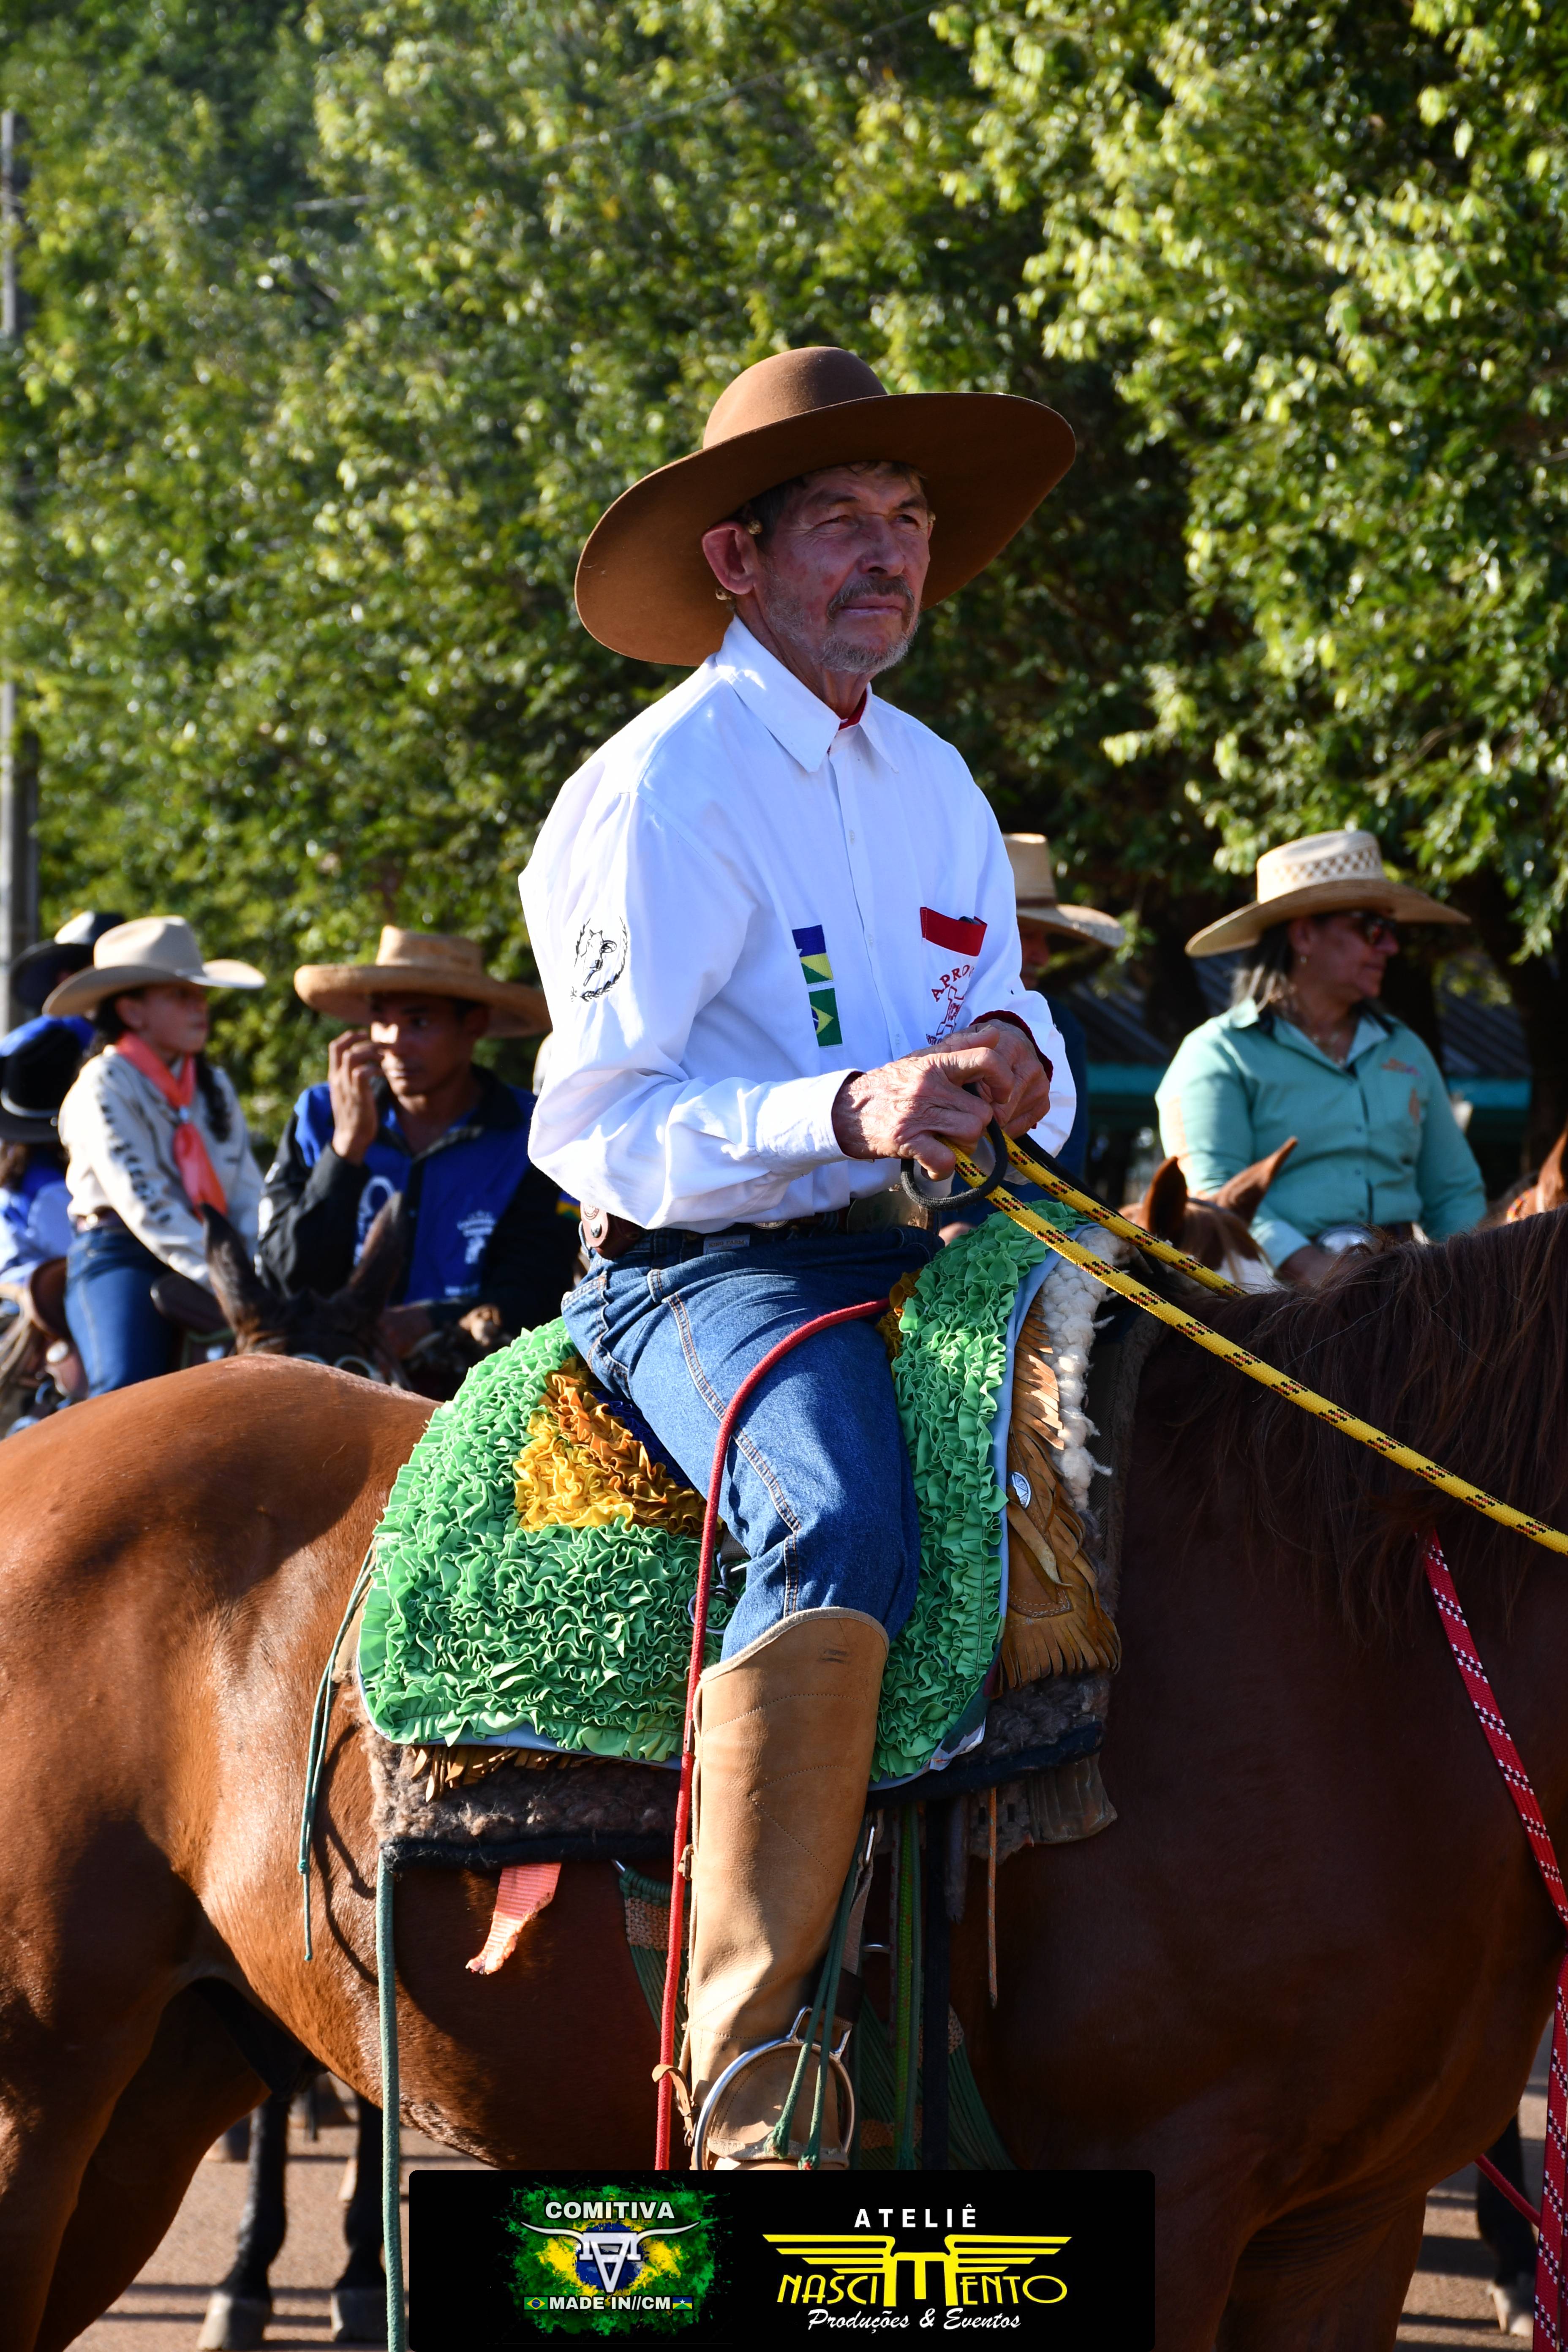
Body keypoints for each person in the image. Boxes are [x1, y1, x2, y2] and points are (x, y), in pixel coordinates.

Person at [521, 343, 1078, 2167]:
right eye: (840, 516)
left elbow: (1003, 1012)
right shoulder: (658, 787)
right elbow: (594, 1125)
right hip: (704, 1272)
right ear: (735, 561)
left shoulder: (932, 777)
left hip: (942, 1241)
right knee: (837, 1519)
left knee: (1198, 1442)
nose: (889, 551)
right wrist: (840, 1110)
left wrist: (1016, 1061)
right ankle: (750, 2068)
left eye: (906, 518)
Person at [1156, 830, 1485, 1284]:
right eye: (1372, 929)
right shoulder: (1217, 1053)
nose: (1390, 947)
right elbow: (1214, 1194)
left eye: (1390, 931)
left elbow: (1455, 1192)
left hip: (1404, 1289)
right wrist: (1316, 1269)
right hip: (1266, 1298)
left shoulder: (1405, 1048)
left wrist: (1467, 1280)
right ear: (1304, 935)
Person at [260, 928, 576, 1354]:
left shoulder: (534, 1132)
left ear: (474, 1024)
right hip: (320, 1363)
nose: (392, 1042)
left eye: (418, 1023)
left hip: (472, 1377)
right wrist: (346, 1150)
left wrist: (429, 1322)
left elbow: (538, 1289)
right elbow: (285, 1279)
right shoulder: (319, 1115)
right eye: (381, 1020)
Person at [46, 916, 267, 1394]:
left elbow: (247, 1190)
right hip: (121, 1251)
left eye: (200, 995)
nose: (200, 1007)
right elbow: (144, 1203)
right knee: (125, 1386)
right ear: (132, 1011)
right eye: (180, 996)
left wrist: (258, 1266)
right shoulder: (102, 1085)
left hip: (219, 1254)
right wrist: (227, 1276)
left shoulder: (213, 1084)